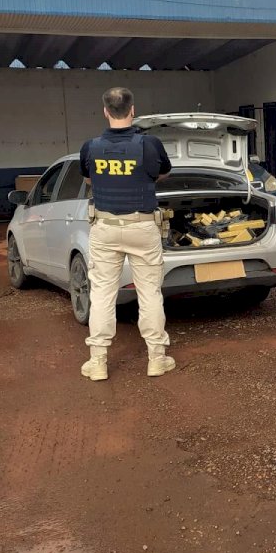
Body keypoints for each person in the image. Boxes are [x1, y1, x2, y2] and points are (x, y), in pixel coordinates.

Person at [78, 87, 175, 381]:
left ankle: (98, 362)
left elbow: (88, 178)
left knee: (103, 295)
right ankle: (157, 359)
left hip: (105, 228)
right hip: (142, 227)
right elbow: (163, 173)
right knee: (150, 294)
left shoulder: (90, 147)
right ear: (133, 110)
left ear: (106, 111)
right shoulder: (149, 144)